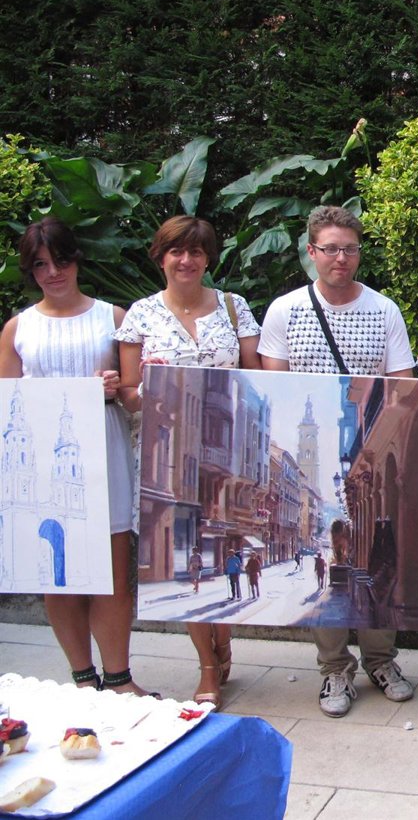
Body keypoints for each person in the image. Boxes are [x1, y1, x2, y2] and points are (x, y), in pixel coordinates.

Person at [258, 205, 416, 719]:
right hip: (322, 459)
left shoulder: (384, 310)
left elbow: (402, 386)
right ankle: (333, 668)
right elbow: (274, 385)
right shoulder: (285, 311)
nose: (340, 258)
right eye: (330, 249)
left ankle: (381, 660)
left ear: (359, 252)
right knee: (332, 563)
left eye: (349, 249)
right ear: (312, 252)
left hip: (372, 453)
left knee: (378, 557)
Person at [116, 214, 261, 708]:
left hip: (222, 463)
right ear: (161, 257)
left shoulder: (234, 309)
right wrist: (147, 389)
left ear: (207, 258)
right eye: (176, 251)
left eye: (196, 251)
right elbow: (129, 396)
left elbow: (257, 377)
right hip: (166, 456)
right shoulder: (140, 315)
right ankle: (207, 665)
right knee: (189, 557)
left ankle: (223, 638)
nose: (186, 260)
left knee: (216, 552)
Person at [0, 218, 150, 695]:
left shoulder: (113, 318)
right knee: (56, 571)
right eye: (40, 265)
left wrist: (115, 387)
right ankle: (83, 678)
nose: (53, 272)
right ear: (30, 271)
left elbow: (134, 393)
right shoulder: (18, 328)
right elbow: (7, 402)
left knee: (112, 572)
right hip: (43, 461)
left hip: (104, 449)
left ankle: (119, 678)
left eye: (61, 260)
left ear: (76, 260)